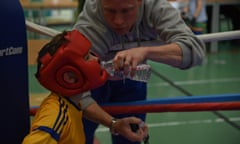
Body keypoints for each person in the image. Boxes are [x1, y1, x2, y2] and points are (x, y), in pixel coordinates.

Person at [73, 0, 205, 143]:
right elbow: (75, 91)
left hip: (132, 78)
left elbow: (194, 51)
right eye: (110, 11)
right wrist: (113, 124)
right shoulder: (92, 21)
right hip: (91, 81)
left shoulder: (155, 7)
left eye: (126, 11)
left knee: (130, 137)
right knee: (80, 137)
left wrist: (146, 52)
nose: (118, 21)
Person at [22, 30, 148, 144]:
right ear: (70, 78)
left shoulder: (73, 103)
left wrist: (115, 124)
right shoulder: (55, 115)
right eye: (87, 57)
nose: (96, 59)